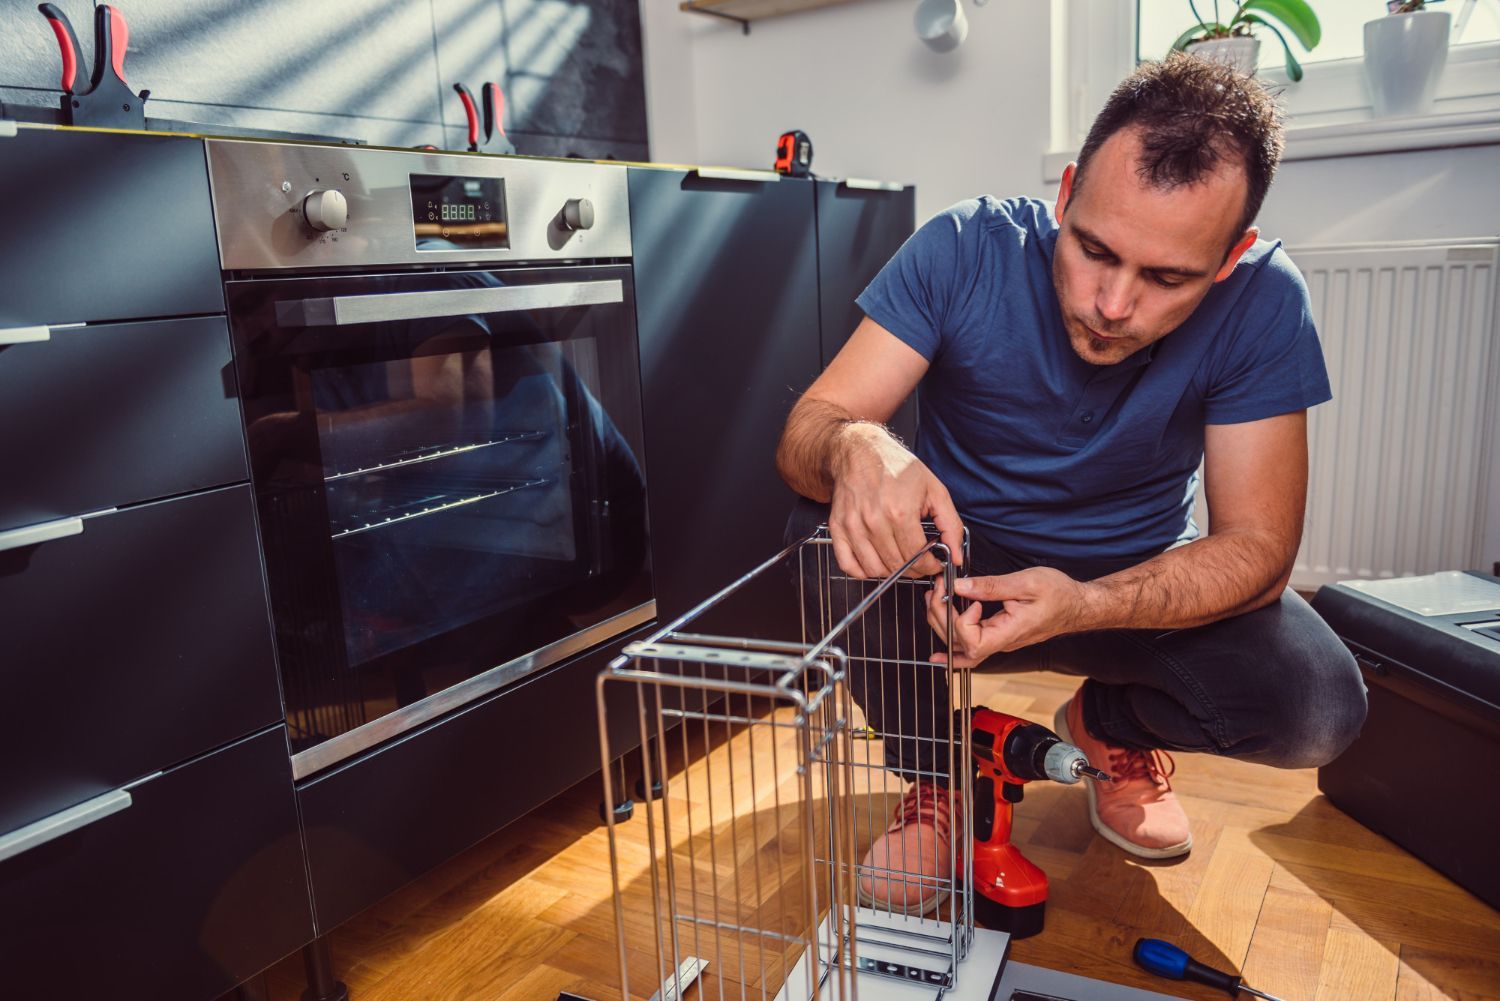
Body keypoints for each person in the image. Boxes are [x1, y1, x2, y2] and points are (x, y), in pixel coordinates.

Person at [775, 54, 1367, 915]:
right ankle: (941, 774)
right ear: (1066, 192)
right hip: (956, 572)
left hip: (1127, 582)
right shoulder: (963, 245)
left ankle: (1109, 729)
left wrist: (1085, 603)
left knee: (1319, 706)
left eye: (1168, 277)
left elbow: (1259, 548)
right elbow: (807, 432)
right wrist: (861, 446)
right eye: (1094, 249)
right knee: (819, 528)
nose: (1113, 303)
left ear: (1232, 257)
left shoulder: (1267, 301)